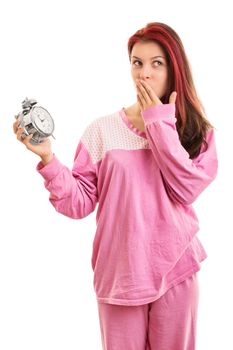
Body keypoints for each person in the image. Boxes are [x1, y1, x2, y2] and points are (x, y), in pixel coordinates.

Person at [13, 22, 218, 350]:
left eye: (157, 63)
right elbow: (78, 202)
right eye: (137, 62)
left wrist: (159, 121)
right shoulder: (102, 131)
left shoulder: (196, 131)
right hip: (120, 277)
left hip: (176, 269)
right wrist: (49, 159)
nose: (144, 74)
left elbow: (186, 189)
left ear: (174, 69)